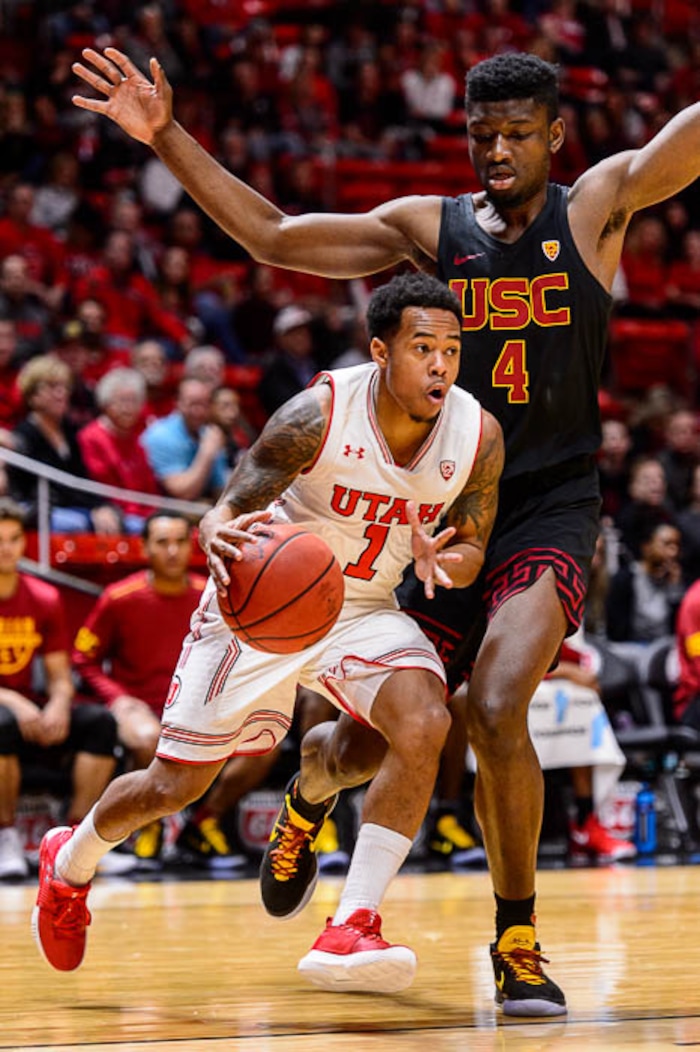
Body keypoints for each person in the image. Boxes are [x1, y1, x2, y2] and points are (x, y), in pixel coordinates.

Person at [67, 45, 700, 1015]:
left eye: (517, 135)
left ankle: (517, 941)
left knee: (494, 703)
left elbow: (680, 144)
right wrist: (165, 134)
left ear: (554, 137)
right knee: (364, 745)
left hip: (548, 506)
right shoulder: (429, 228)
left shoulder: (593, 206)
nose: (497, 150)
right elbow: (275, 235)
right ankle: (310, 793)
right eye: (481, 133)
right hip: (435, 511)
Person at [31, 273, 503, 994]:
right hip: (262, 602)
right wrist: (219, 533)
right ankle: (69, 861)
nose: (440, 364)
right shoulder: (316, 413)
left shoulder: (478, 436)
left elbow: (470, 550)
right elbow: (225, 510)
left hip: (364, 605)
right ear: (381, 351)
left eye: (451, 348)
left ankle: (353, 922)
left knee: (424, 720)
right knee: (172, 787)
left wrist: (452, 559)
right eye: (422, 348)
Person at [0, 499, 118, 880]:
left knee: (99, 722)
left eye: (14, 538)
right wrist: (16, 701)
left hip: (28, 709)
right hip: (8, 708)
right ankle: (5, 838)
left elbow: (58, 672)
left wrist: (59, 704)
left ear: (24, 543)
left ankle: (75, 842)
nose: (6, 548)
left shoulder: (44, 597)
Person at [140, 376, 228, 502]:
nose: (199, 411)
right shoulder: (161, 435)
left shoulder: (208, 434)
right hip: (162, 508)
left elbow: (220, 489)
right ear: (178, 403)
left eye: (204, 404)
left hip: (200, 506)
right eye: (193, 404)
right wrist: (206, 454)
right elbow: (183, 493)